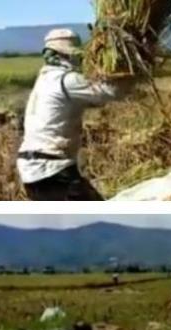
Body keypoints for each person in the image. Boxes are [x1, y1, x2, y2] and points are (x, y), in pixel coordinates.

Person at [17, 28, 135, 201]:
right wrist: (132, 64)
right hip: (51, 169)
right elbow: (112, 92)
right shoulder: (67, 80)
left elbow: (94, 100)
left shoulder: (45, 79)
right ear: (68, 55)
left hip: (31, 170)